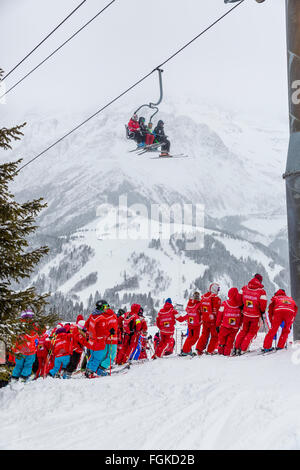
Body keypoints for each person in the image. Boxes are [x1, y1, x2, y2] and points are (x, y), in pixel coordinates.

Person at [234, 273, 267, 355]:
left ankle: (236, 347)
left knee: (243, 331)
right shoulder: (261, 292)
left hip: (245, 314)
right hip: (255, 316)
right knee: (251, 332)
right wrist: (262, 311)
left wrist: (242, 306)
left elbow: (238, 298)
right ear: (260, 281)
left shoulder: (244, 288)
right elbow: (263, 305)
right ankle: (243, 349)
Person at [84, 300, 118, 378]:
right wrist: (110, 332)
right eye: (105, 307)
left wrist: (87, 333)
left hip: (92, 340)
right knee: (97, 358)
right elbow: (101, 332)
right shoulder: (101, 318)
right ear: (101, 307)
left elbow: (87, 325)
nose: (107, 308)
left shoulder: (93, 315)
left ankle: (88, 370)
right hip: (98, 341)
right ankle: (91, 372)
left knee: (93, 357)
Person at [10, 309, 39, 384]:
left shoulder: (18, 327)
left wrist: (14, 350)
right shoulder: (35, 327)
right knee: (28, 365)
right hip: (31, 352)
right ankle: (23, 378)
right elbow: (41, 333)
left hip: (20, 351)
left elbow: (14, 340)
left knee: (18, 365)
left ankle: (14, 378)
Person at [196, 283, 221, 355]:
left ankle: (199, 349)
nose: (218, 291)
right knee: (214, 336)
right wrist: (218, 321)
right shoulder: (215, 298)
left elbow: (200, 308)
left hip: (205, 320)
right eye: (218, 289)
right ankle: (210, 350)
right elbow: (217, 311)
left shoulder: (203, 297)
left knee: (204, 335)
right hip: (213, 321)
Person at [216, 288, 243, 356]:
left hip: (224, 326)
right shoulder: (240, 305)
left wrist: (217, 324)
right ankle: (227, 353)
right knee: (230, 341)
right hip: (235, 327)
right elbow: (242, 316)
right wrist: (239, 325)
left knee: (222, 340)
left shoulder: (224, 304)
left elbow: (219, 314)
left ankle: (220, 353)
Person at [177, 292, 202, 356]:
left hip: (190, 323)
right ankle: (186, 350)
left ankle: (186, 350)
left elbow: (187, 311)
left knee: (190, 337)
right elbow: (202, 313)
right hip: (196, 324)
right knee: (195, 338)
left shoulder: (189, 303)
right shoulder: (199, 304)